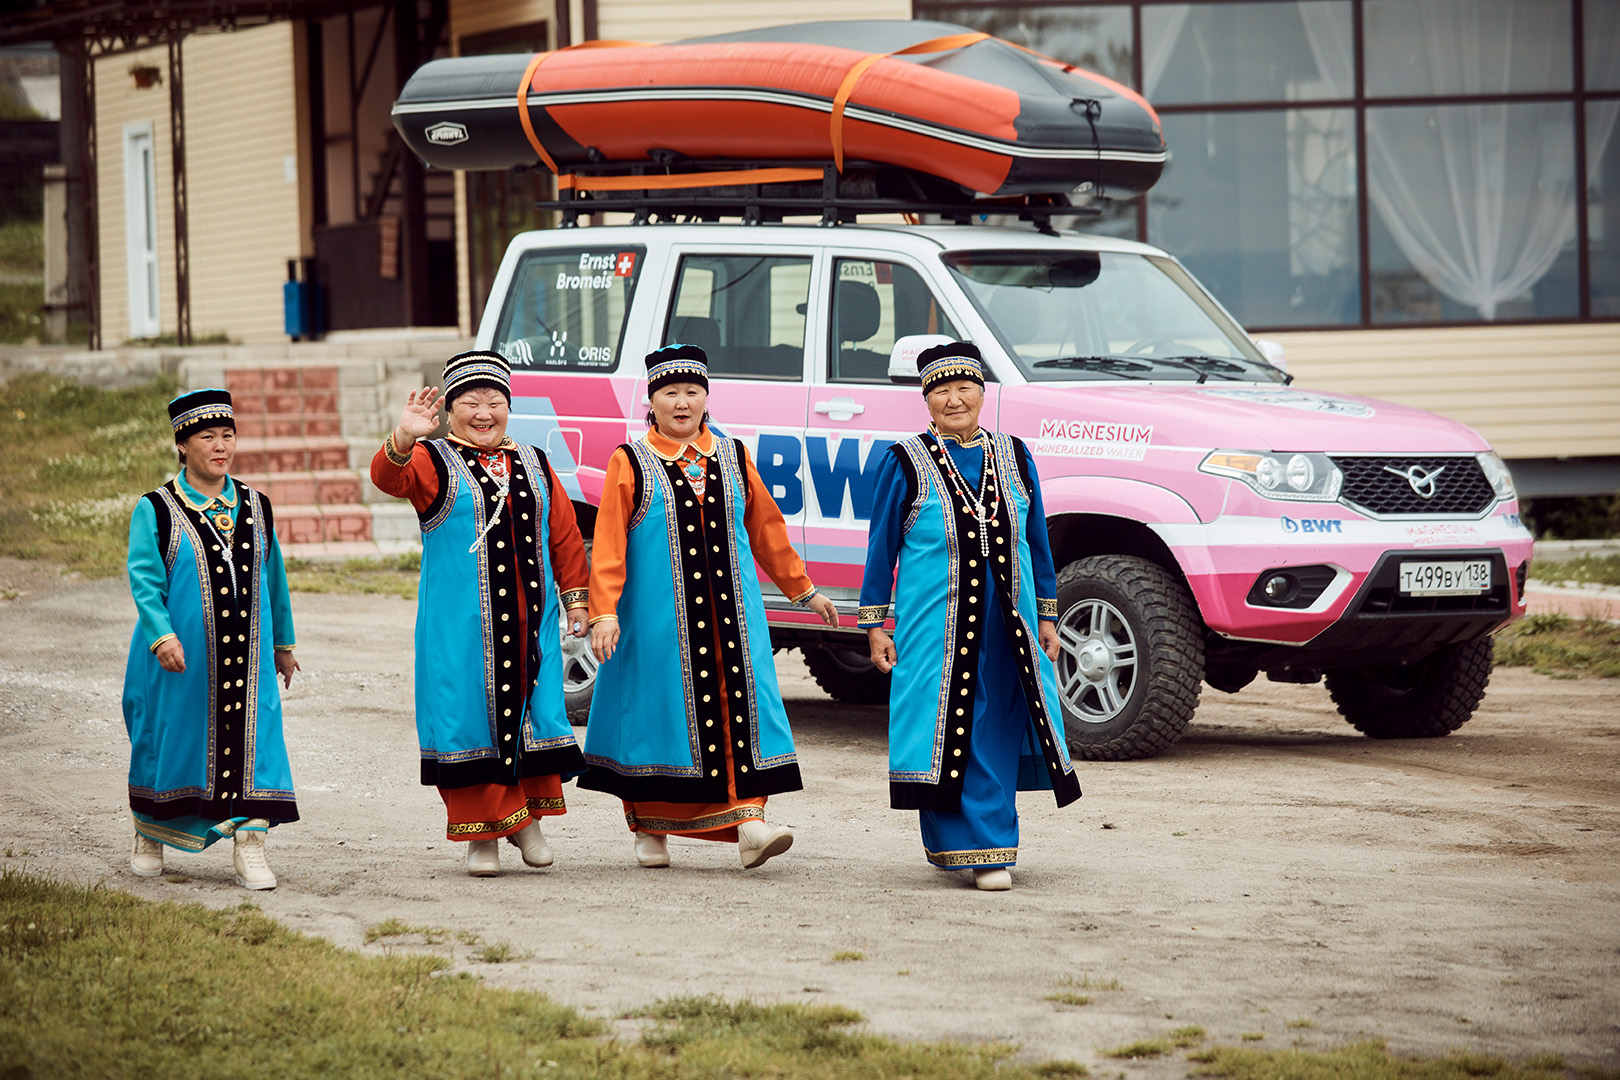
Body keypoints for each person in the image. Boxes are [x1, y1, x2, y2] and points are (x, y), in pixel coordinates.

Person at [583, 344, 839, 869]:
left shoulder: (733, 455)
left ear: (706, 398)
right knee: (657, 720)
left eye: (692, 392)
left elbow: (767, 530)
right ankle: (650, 828)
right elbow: (608, 545)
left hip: (734, 623)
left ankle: (750, 823)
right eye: (669, 393)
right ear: (651, 401)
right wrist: (603, 612)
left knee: (740, 712)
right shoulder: (629, 461)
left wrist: (804, 590)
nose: (682, 403)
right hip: (658, 627)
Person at [859, 341, 1081, 891]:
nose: (954, 399)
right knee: (945, 726)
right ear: (926, 399)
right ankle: (977, 849)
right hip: (935, 624)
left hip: (1008, 624)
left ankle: (991, 843)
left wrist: (1046, 615)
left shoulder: (1014, 454)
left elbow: (1036, 540)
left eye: (965, 388)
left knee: (999, 722)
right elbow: (881, 547)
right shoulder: (904, 460)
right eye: (941, 390)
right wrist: (875, 625)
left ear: (983, 393)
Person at [371, 350, 591, 877]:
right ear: (449, 409)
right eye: (470, 401)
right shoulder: (431, 460)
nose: (484, 412)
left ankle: (525, 820)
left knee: (534, 718)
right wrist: (402, 439)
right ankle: (482, 838)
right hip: (460, 632)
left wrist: (577, 599)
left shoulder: (535, 462)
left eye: (495, 400)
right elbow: (387, 479)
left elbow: (563, 534)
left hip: (530, 626)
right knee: (467, 721)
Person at [123, 388, 300, 890]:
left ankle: (251, 845)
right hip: (180, 659)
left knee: (258, 742)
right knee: (166, 742)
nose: (221, 446)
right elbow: (145, 580)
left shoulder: (256, 504)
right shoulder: (156, 509)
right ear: (182, 444)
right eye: (207, 437)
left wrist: (283, 645)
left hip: (249, 660)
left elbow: (274, 578)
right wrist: (161, 636)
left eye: (228, 435)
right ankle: (149, 832)